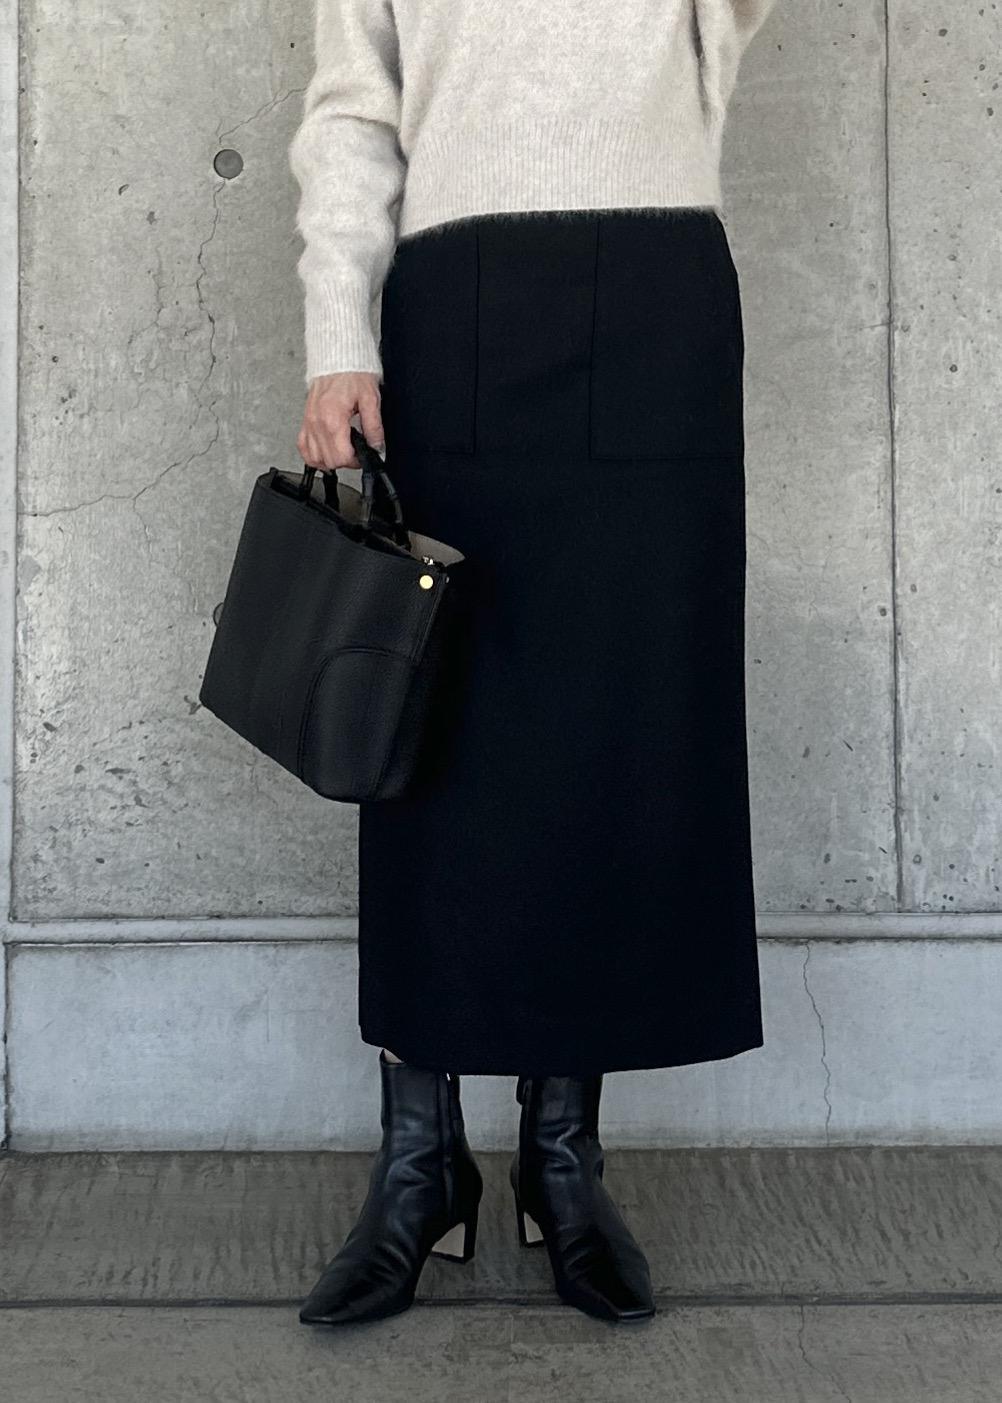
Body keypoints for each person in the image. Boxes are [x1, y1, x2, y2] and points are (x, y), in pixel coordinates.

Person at [288, 0, 778, 1328]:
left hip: (659, 299)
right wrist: (338, 335)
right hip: (455, 299)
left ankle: (563, 1162)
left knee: (615, 725)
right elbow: (352, 109)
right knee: (429, 734)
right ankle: (418, 1164)